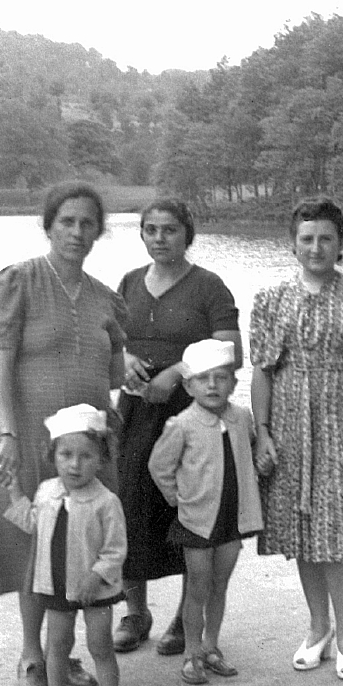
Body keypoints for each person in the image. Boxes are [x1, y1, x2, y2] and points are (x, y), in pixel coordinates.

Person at [0, 182, 126, 686]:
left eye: (88, 223)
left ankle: (65, 654)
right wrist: (6, 433)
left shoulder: (107, 298)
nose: (77, 232)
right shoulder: (17, 282)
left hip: (87, 446)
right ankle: (32, 654)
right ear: (48, 225)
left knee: (78, 543)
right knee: (31, 544)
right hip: (32, 438)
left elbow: (112, 375)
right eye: (67, 221)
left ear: (98, 231)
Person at [250, 197, 343, 681]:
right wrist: (263, 432)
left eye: (326, 239)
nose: (316, 247)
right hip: (291, 425)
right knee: (304, 533)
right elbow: (263, 374)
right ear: (293, 245)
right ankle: (318, 628)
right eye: (307, 239)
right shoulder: (271, 300)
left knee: (339, 533)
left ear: (342, 244)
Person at [114, 200, 243, 655]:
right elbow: (111, 341)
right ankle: (135, 611)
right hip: (134, 415)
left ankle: (184, 619)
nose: (159, 238)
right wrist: (124, 361)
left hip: (192, 418)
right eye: (150, 229)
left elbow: (231, 353)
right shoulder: (129, 282)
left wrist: (176, 372)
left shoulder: (209, 287)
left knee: (190, 514)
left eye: (169, 230)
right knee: (128, 508)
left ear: (188, 234)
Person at [148, 339, 263, 685]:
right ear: (188, 385)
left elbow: (251, 453)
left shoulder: (241, 418)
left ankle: (212, 647)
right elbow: (159, 466)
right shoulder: (181, 424)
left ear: (233, 382)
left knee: (220, 585)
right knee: (197, 587)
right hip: (197, 521)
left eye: (221, 377)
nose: (212, 385)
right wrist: (179, 499)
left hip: (233, 518)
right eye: (202, 378)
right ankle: (191, 653)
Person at [4, 405, 124, 686]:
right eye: (66, 454)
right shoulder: (46, 492)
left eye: (86, 456)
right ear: (53, 456)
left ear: (101, 458)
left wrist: (96, 575)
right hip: (56, 585)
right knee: (56, 644)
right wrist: (14, 492)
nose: (75, 464)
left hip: (95, 589)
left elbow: (115, 551)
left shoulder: (106, 502)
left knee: (101, 646)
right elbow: (33, 524)